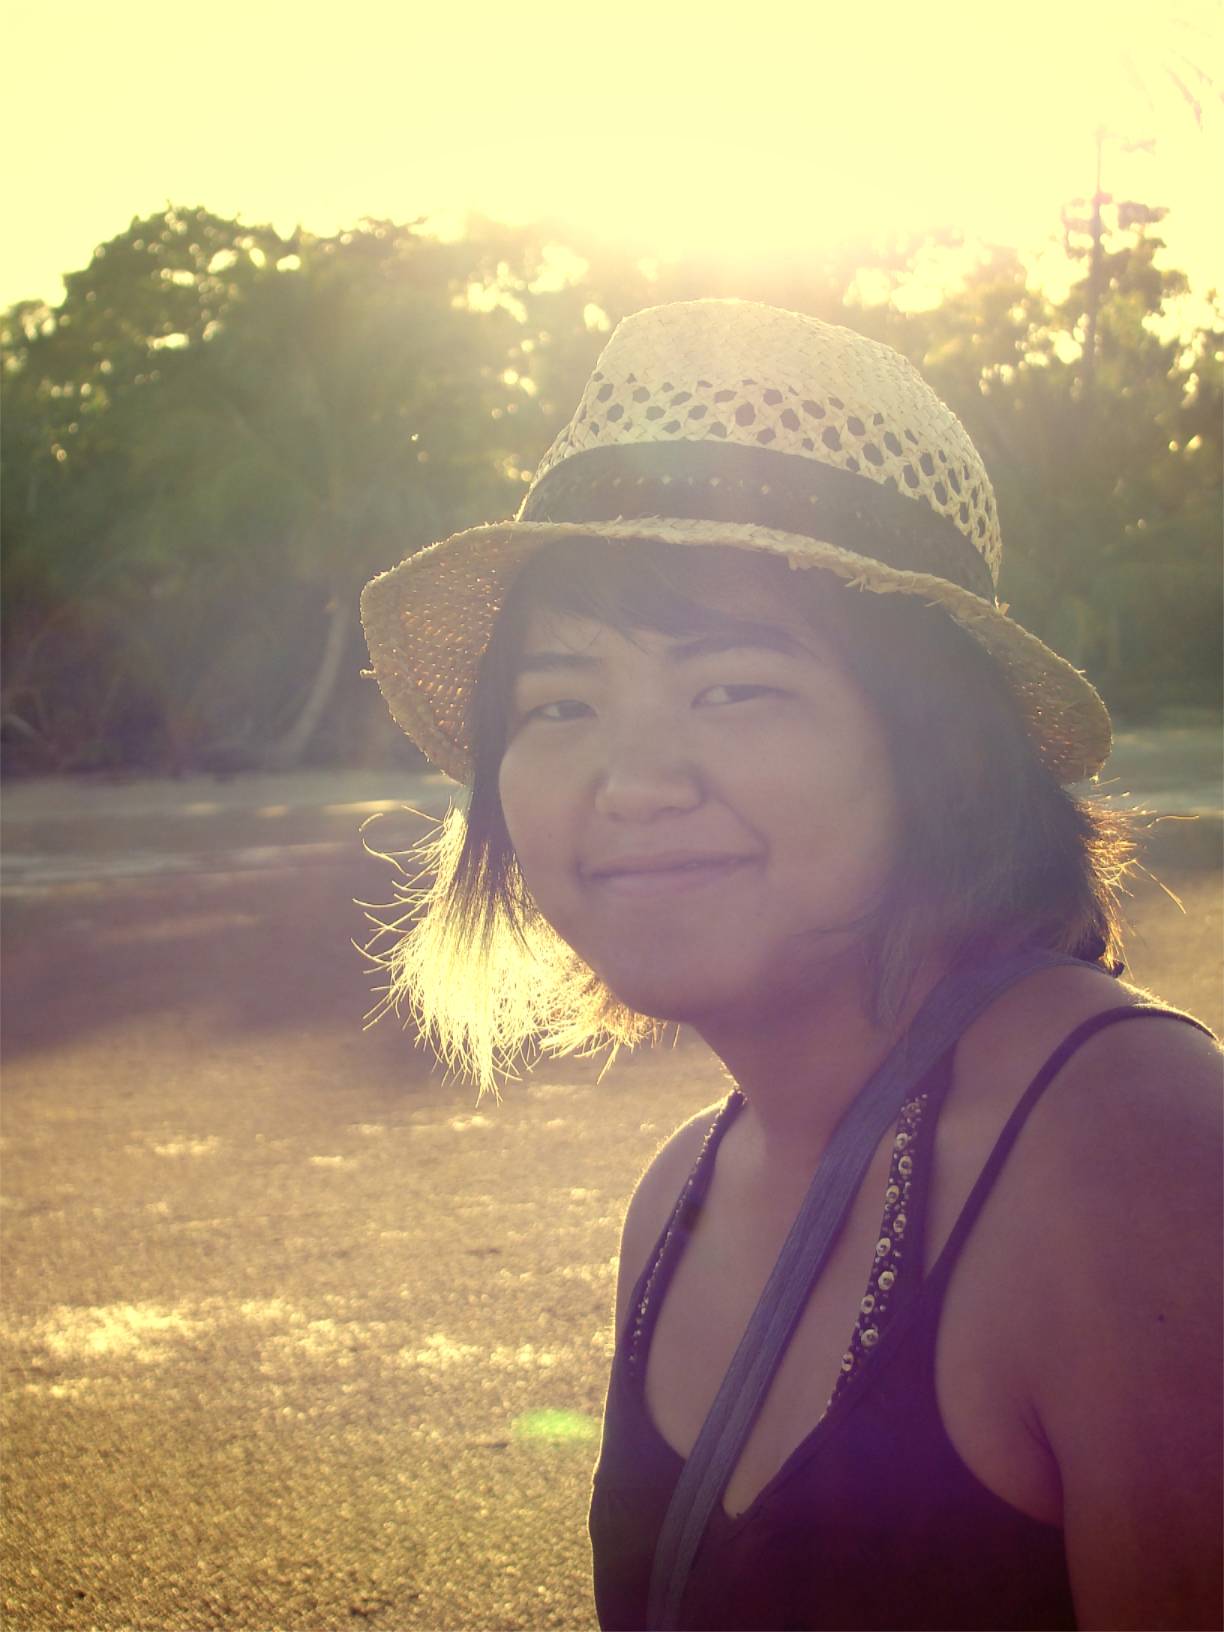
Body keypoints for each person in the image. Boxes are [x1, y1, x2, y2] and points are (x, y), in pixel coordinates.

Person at [361, 299, 1222, 1631]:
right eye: (559, 706)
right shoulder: (681, 1200)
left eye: (735, 690)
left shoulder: (1128, 1146)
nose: (632, 786)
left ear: (936, 746)